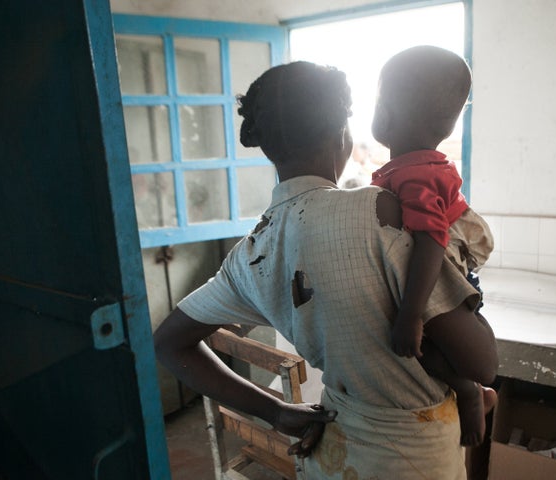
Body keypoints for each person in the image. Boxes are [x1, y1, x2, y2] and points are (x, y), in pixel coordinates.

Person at [153, 60, 498, 479]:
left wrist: (275, 411)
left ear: (268, 147)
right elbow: (481, 363)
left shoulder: (251, 253)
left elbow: (169, 343)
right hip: (414, 460)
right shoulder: (382, 211)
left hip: (331, 453)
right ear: (343, 135)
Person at [370, 45, 495, 447]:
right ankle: (470, 388)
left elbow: (430, 242)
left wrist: (410, 315)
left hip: (440, 260)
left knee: (412, 342)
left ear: (385, 114)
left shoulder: (414, 173)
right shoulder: (419, 166)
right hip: (451, 256)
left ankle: (468, 390)